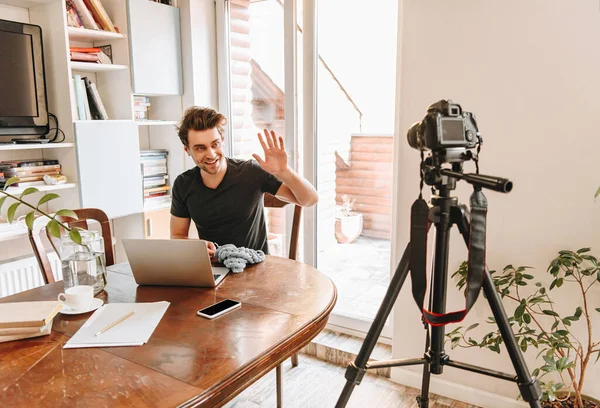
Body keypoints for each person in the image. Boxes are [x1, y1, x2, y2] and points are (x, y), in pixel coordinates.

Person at [170, 106, 318, 258]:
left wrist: (284, 171)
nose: (211, 154)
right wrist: (197, 247)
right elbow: (177, 235)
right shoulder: (183, 184)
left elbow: (309, 200)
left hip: (256, 269)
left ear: (222, 141)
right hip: (213, 271)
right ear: (187, 150)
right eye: (200, 148)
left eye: (215, 144)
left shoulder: (251, 172)